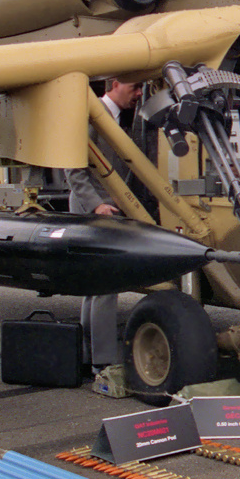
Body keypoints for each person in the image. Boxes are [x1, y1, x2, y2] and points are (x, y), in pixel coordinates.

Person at [66, 78, 143, 372]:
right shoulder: (93, 114)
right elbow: (73, 167)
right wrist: (96, 204)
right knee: (106, 284)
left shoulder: (116, 118)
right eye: (134, 87)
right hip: (96, 208)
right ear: (114, 84)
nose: (138, 94)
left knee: (95, 285)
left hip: (107, 207)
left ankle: (91, 356)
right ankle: (105, 361)